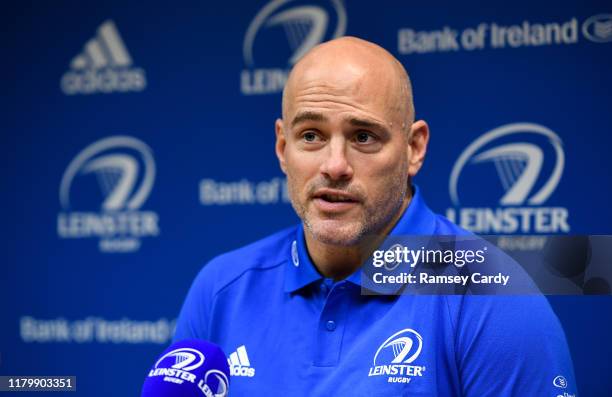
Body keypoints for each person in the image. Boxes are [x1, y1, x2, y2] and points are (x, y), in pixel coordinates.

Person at [174, 37, 577, 396]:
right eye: (311, 135)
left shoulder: (494, 301)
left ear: (414, 148)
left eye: (363, 137)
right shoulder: (220, 289)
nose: (334, 165)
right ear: (282, 147)